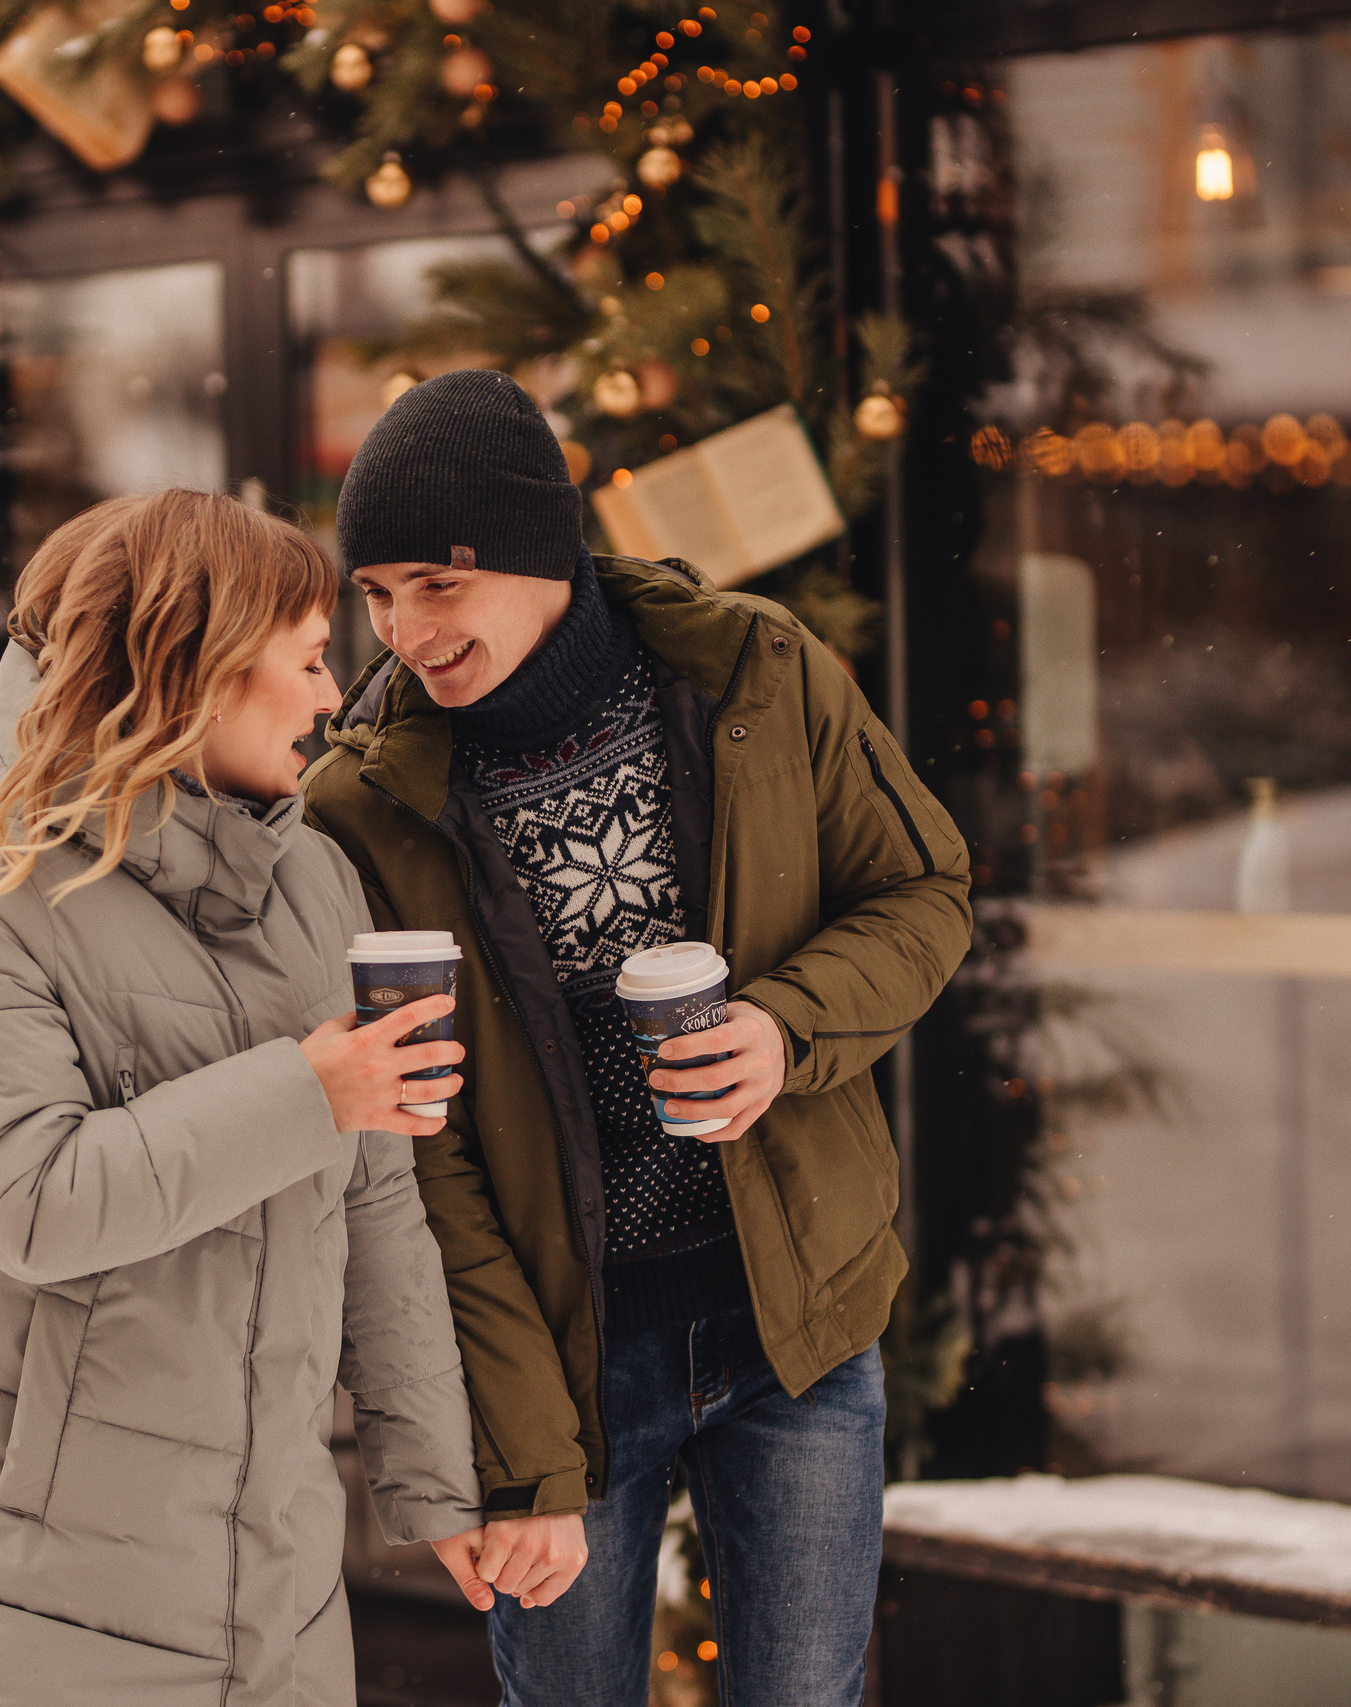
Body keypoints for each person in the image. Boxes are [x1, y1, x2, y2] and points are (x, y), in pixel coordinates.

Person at [301, 371, 973, 1706]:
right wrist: (520, 1448)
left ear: (540, 549)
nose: (403, 630)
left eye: (438, 582)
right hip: (565, 1356)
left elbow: (923, 892)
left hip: (795, 1319)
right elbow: (424, 1163)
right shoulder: (363, 805)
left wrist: (785, 1027)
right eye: (377, 594)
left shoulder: (756, 673)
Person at [0, 489, 491, 1707]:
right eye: (310, 660)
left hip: (276, 1580)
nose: (332, 696)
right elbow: (31, 1203)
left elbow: (376, 1210)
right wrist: (306, 1092)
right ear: (194, 672)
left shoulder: (312, 879)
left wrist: (434, 1488)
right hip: (34, 1593)